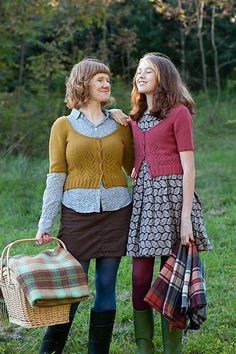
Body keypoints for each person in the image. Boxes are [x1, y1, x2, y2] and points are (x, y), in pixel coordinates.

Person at [35, 58, 133, 354]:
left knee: (106, 286)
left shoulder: (119, 124)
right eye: (99, 79)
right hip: (76, 217)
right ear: (83, 84)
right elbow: (56, 176)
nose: (106, 83)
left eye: (107, 79)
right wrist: (44, 223)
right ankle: (49, 351)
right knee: (70, 290)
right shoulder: (63, 125)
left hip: (116, 213)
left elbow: (135, 168)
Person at [125, 53, 212, 354]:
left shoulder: (178, 113)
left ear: (164, 76)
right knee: (139, 276)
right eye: (138, 71)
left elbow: (189, 167)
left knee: (172, 276)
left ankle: (171, 349)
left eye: (148, 71)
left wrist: (186, 217)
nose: (141, 75)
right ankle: (143, 347)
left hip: (174, 201)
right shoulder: (134, 118)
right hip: (145, 202)